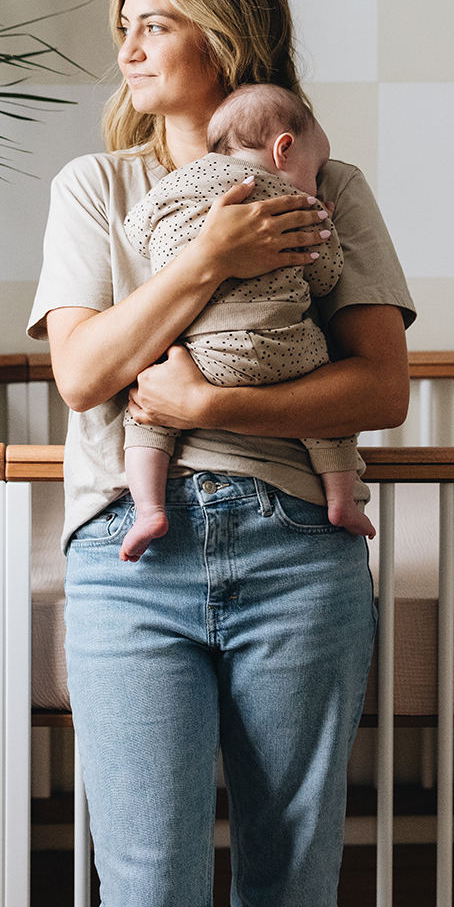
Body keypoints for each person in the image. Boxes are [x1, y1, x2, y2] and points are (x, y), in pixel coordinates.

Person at [28, 0, 414, 907]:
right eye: (125, 27)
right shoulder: (95, 189)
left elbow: (381, 385)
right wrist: (210, 254)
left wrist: (212, 402)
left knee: (290, 905)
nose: (130, 48)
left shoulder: (327, 181)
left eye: (154, 23)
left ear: (227, 32)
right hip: (131, 555)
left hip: (296, 545)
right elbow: (85, 372)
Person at [119, 82, 375, 562]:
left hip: (200, 357)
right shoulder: (296, 202)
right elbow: (323, 279)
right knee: (326, 409)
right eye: (316, 170)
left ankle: (149, 508)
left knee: (146, 416)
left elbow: (136, 232)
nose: (317, 181)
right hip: (289, 350)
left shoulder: (180, 180)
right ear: (284, 150)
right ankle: (342, 499)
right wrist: (323, 223)